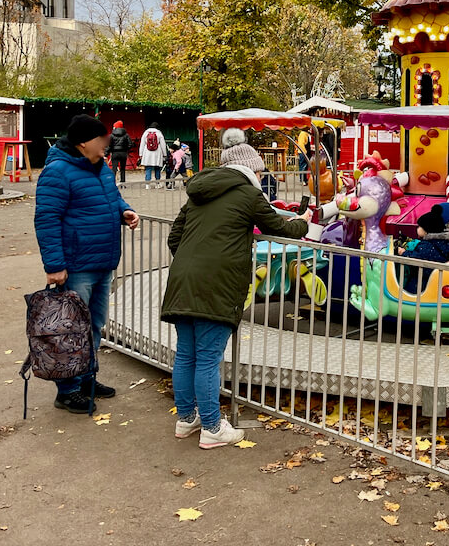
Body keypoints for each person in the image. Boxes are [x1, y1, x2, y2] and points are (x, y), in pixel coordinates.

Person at [160, 138, 311, 448]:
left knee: (186, 354)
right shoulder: (248, 194)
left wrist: (195, 259)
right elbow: (279, 228)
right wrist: (304, 223)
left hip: (183, 280)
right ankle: (213, 428)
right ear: (252, 168)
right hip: (217, 284)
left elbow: (175, 237)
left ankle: (187, 419)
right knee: (208, 359)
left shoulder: (198, 193)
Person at [34, 114, 140, 414]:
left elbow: (111, 198)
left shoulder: (101, 168)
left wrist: (125, 211)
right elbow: (47, 220)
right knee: (70, 329)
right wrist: (54, 265)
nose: (106, 144)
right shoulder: (58, 172)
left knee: (93, 325)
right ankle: (67, 390)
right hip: (77, 264)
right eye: (101, 139)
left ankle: (86, 379)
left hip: (103, 260)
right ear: (83, 143)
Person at [398, 204, 449, 295]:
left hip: (425, 282)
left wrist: (404, 253)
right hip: (432, 276)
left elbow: (416, 259)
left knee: (410, 288)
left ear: (427, 230)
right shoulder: (440, 242)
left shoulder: (428, 246)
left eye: (419, 226)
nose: (417, 228)